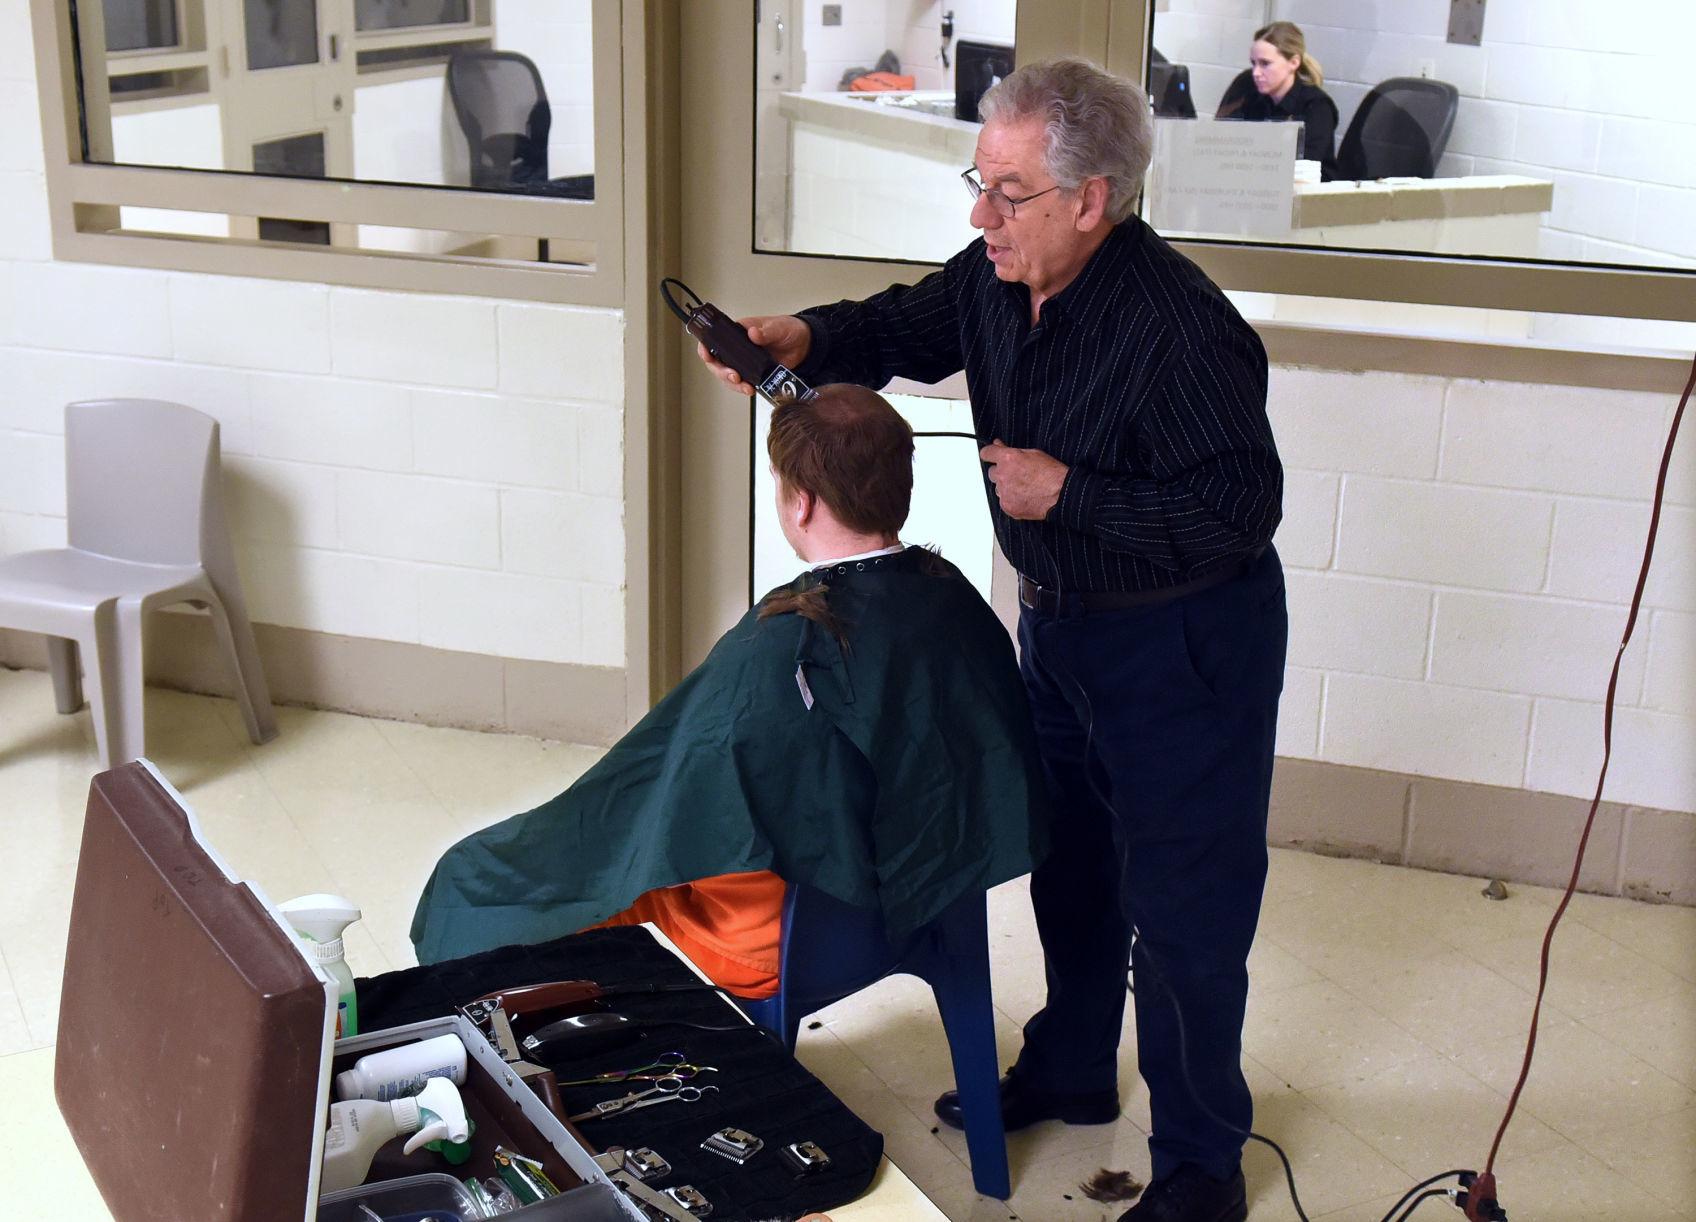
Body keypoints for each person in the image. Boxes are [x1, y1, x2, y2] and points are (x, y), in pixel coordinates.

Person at [697, 58, 1287, 1222]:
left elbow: (1238, 514)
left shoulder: (1185, 332)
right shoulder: (999, 274)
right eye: (981, 181)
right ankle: (1071, 1064)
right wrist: (803, 337)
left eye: (1005, 193)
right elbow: (913, 319)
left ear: (1090, 197)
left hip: (1184, 645)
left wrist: (1070, 492)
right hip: (1062, 628)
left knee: (1183, 909)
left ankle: (1201, 1161)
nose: (980, 215)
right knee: (1067, 859)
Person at [411, 384, 1049, 1003]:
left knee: (497, 880)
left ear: (799, 501)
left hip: (788, 944)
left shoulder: (790, 643)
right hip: (933, 895)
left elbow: (670, 800)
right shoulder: (951, 594)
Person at [1216, 21, 1340, 181]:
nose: (1255, 73)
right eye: (1254, 63)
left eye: (1265, 64)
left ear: (1294, 63)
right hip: (1257, 185)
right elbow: (1222, 142)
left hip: (1308, 196)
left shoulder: (1316, 106)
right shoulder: (1249, 92)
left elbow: (1305, 168)